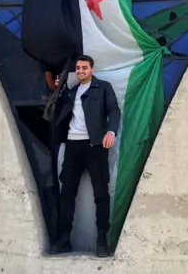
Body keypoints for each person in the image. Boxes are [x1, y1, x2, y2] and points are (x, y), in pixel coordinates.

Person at [49, 55, 120, 257]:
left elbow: (114, 109)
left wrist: (111, 131)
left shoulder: (103, 87)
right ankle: (63, 240)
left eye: (84, 68)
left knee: (101, 195)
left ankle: (101, 242)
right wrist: (58, 91)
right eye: (78, 68)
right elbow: (59, 112)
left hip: (95, 146)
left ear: (92, 69)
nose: (80, 71)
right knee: (67, 195)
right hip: (72, 146)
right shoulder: (71, 92)